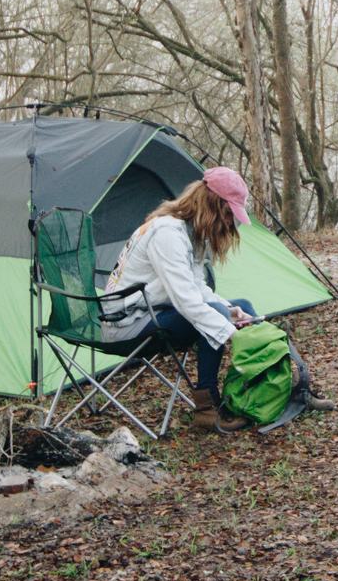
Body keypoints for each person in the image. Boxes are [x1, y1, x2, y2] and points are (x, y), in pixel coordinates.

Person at [99, 167, 257, 431]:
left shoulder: (188, 232)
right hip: (127, 325)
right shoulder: (167, 234)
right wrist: (232, 332)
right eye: (229, 215)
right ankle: (207, 408)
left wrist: (232, 311)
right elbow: (186, 301)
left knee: (242, 307)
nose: (230, 224)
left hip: (154, 311)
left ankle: (264, 390)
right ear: (213, 206)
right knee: (214, 315)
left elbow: (196, 287)